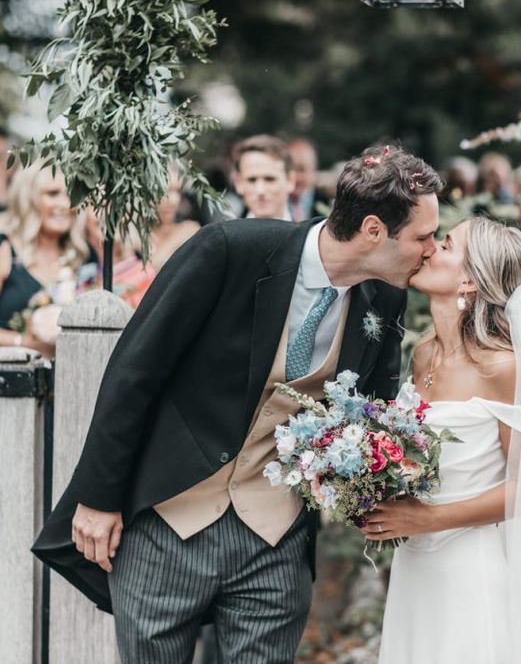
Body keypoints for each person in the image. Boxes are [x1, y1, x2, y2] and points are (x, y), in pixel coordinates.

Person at [33, 145, 442, 663]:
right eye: (422, 237)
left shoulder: (384, 297)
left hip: (276, 537)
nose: (430, 250)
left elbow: (373, 407)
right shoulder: (229, 249)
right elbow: (136, 372)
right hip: (168, 517)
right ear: (373, 231)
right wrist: (98, 496)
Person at [363, 217, 521, 663]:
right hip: (416, 563)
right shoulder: (423, 353)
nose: (429, 248)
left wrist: (428, 518)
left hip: (470, 566)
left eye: (446, 243)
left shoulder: (502, 368)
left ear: (469, 279)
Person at [0, 160, 93, 357]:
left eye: (71, 195)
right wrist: (26, 343)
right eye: (52, 194)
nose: (65, 204)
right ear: (29, 197)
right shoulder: (5, 249)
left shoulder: (85, 255)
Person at [149, 166, 200, 270]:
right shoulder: (131, 235)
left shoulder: (189, 232)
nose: (173, 201)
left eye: (177, 191)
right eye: (165, 191)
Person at [233, 134, 294, 221]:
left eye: (269, 179)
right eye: (252, 180)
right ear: (238, 182)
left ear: (290, 181)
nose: (260, 190)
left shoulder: (312, 234)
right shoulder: (225, 234)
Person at [287, 138, 329, 221]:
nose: (295, 176)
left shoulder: (328, 203)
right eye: (290, 169)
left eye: (302, 170)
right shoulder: (271, 202)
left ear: (314, 170)